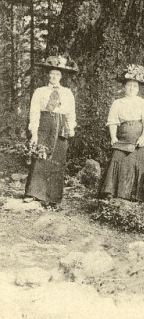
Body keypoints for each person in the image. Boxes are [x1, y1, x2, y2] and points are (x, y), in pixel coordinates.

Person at [23, 55, 78, 207]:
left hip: (61, 126)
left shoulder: (67, 92)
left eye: (57, 74)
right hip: (44, 124)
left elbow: (70, 112)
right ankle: (33, 193)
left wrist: (71, 127)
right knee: (40, 156)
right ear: (48, 75)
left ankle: (53, 197)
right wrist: (34, 132)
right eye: (52, 73)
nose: (54, 77)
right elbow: (34, 112)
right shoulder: (40, 91)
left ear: (61, 76)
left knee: (58, 159)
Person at [99, 64, 144, 201]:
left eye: (135, 86)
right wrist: (113, 137)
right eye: (129, 85)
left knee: (138, 158)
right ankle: (113, 191)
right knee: (118, 157)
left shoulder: (143, 103)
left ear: (138, 88)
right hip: (123, 138)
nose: (131, 88)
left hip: (140, 138)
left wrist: (143, 137)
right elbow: (113, 122)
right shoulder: (118, 103)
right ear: (124, 87)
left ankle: (135, 194)